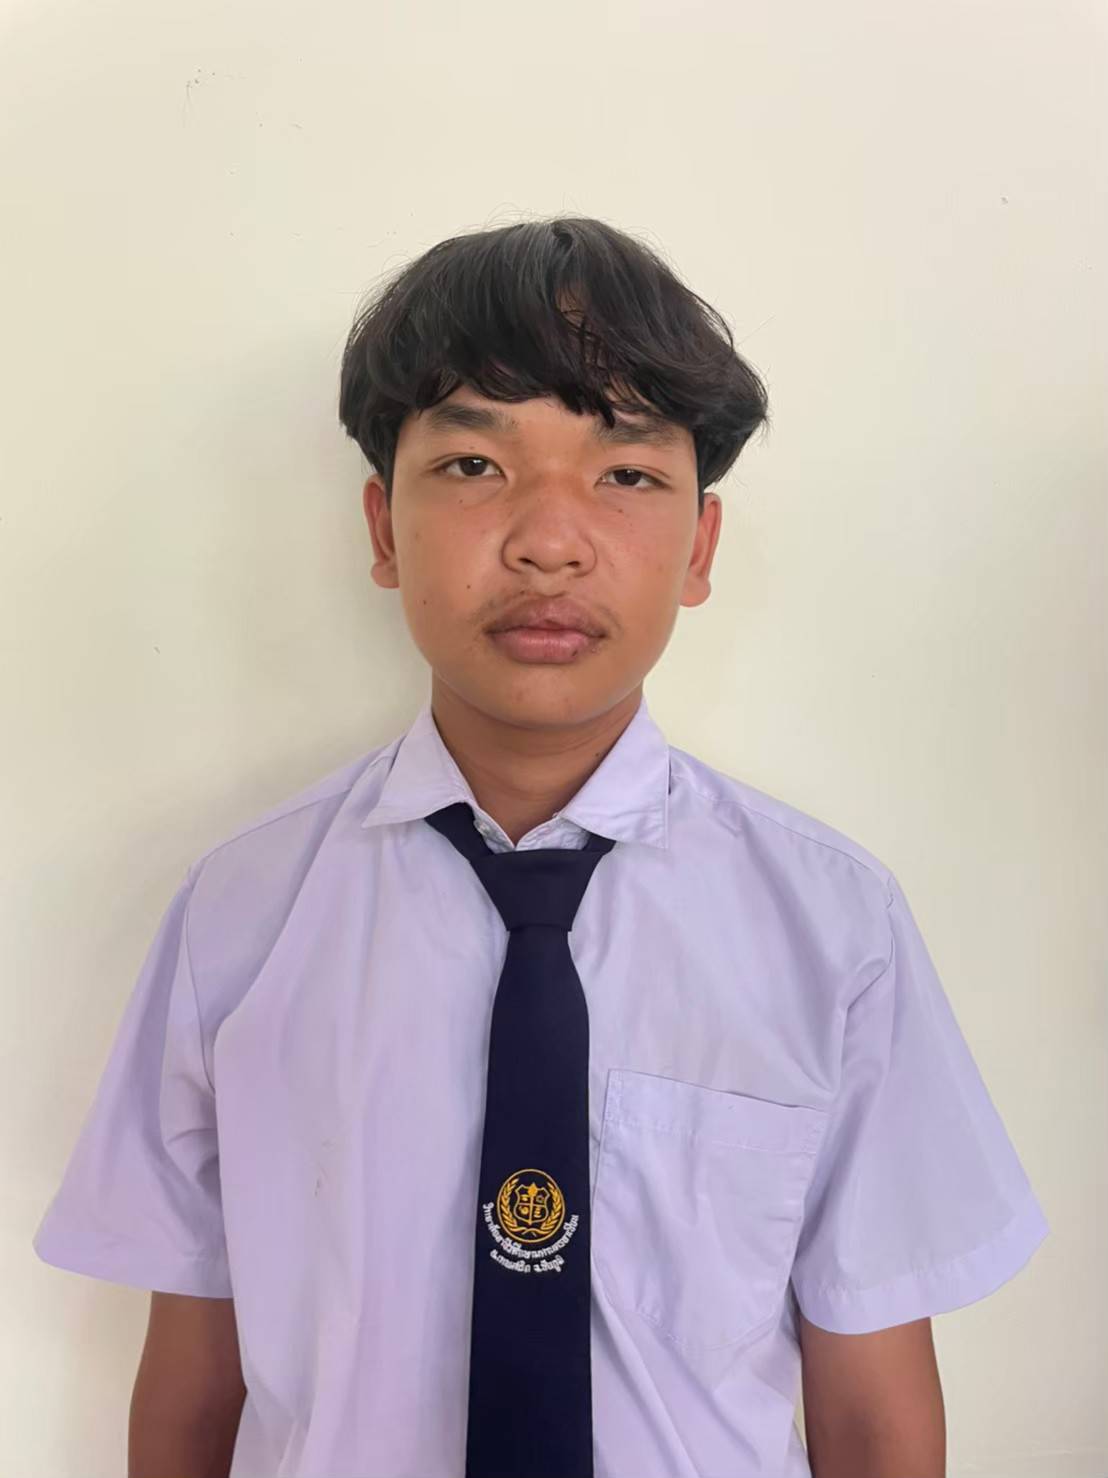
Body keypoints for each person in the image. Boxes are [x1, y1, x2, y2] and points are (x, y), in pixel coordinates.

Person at [32, 216, 1049, 1478]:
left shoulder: (833, 928)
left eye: (625, 474)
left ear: (700, 547)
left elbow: (875, 1417)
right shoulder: (240, 915)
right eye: (473, 463)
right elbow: (192, 1389)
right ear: (383, 528)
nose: (549, 540)